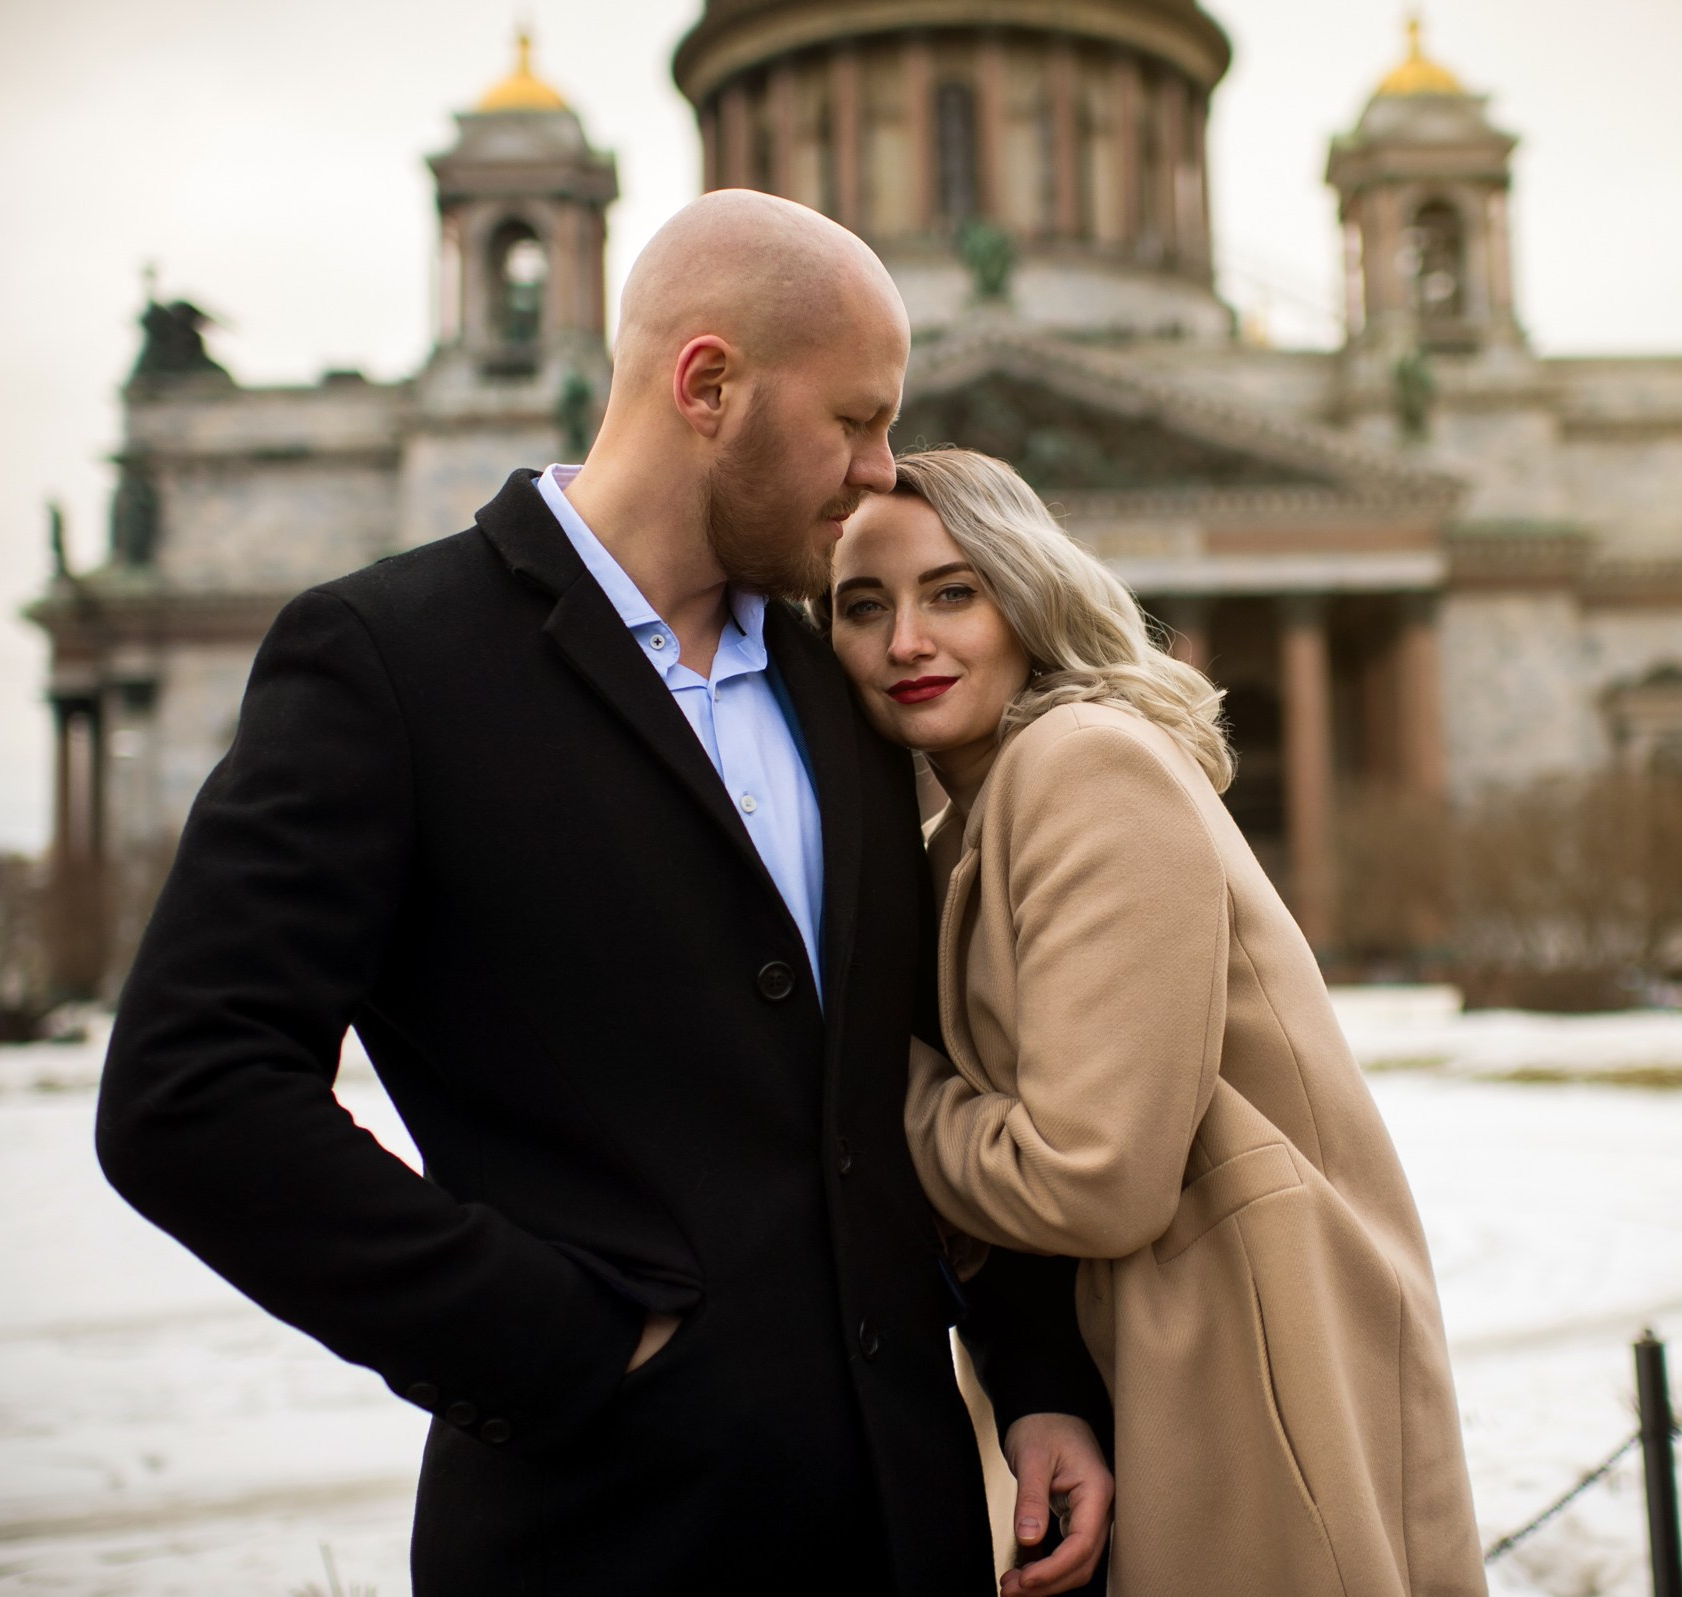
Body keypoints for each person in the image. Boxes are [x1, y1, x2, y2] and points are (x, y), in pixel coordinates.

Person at [96, 194, 1113, 1596]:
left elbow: (919, 1077)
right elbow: (187, 1096)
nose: (882, 476)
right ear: (708, 387)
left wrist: (1040, 1375)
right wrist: (556, 1342)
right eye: (856, 422)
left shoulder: (846, 680)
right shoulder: (391, 661)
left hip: (907, 1534)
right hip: (598, 1539)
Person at [826, 449, 1489, 1597]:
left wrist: (861, 1091)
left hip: (1248, 1378)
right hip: (1171, 1362)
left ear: (1027, 593)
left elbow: (1091, 1178)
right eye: (862, 606)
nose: (906, 643)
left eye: (953, 591)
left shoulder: (1084, 766)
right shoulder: (973, 822)